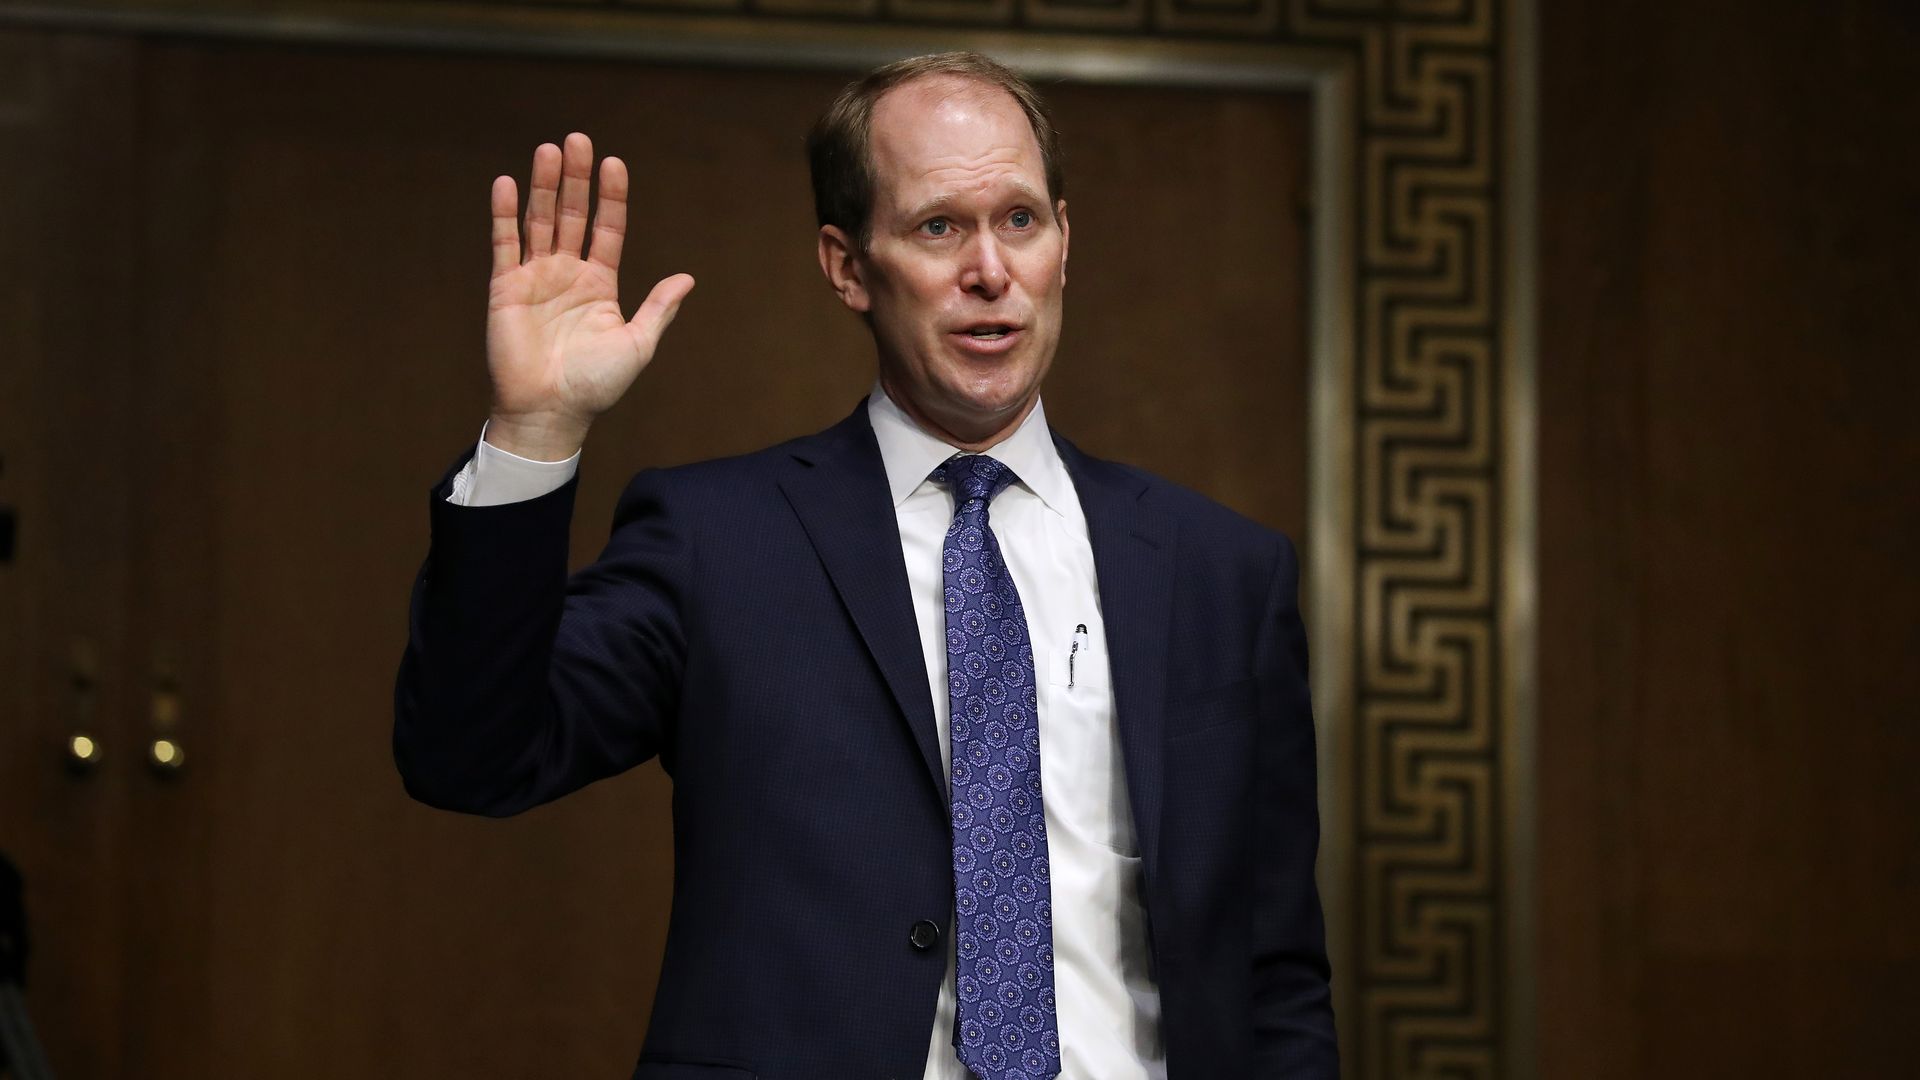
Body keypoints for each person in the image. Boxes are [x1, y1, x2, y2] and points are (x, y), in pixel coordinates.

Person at [395, 52, 1336, 1080]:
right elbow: (471, 758)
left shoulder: (1221, 572)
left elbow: (1275, 974)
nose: (991, 270)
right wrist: (535, 430)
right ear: (847, 266)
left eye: (1020, 220)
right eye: (938, 227)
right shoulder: (720, 539)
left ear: (1064, 243)